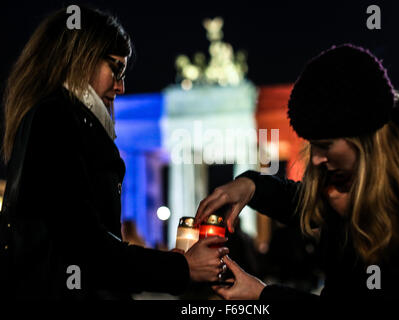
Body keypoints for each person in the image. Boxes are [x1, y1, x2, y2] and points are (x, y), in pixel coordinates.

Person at [0, 6, 228, 300]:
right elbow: (87, 247)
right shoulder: (56, 119)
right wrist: (181, 267)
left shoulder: (63, 119)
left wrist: (170, 265)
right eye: (116, 68)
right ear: (80, 59)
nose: (121, 86)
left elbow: (91, 246)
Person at [195, 44, 399, 301]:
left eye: (325, 145)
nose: (316, 159)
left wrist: (263, 295)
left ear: (364, 136)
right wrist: (252, 186)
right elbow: (304, 201)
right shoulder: (356, 177)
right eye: (312, 145)